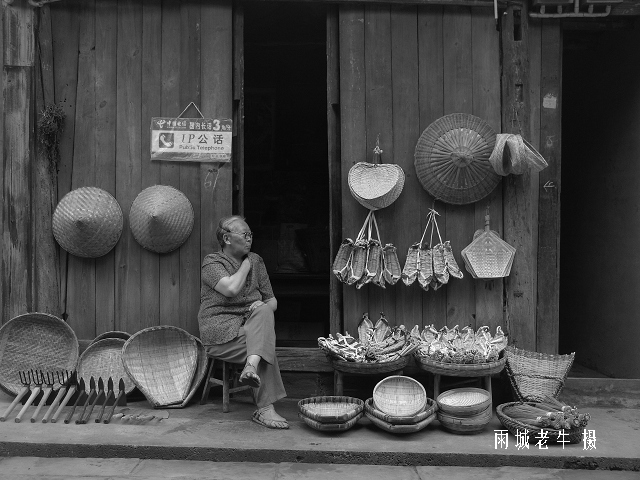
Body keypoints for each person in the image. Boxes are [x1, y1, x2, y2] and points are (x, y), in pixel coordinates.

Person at [198, 215, 288, 429]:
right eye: (245, 234)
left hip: (250, 326)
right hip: (220, 331)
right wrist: (246, 265)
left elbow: (272, 300)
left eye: (251, 235)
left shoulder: (258, 260)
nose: (249, 239)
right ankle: (265, 408)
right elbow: (230, 289)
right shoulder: (213, 262)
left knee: (265, 310)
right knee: (265, 345)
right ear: (227, 239)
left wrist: (259, 307)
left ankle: (251, 367)